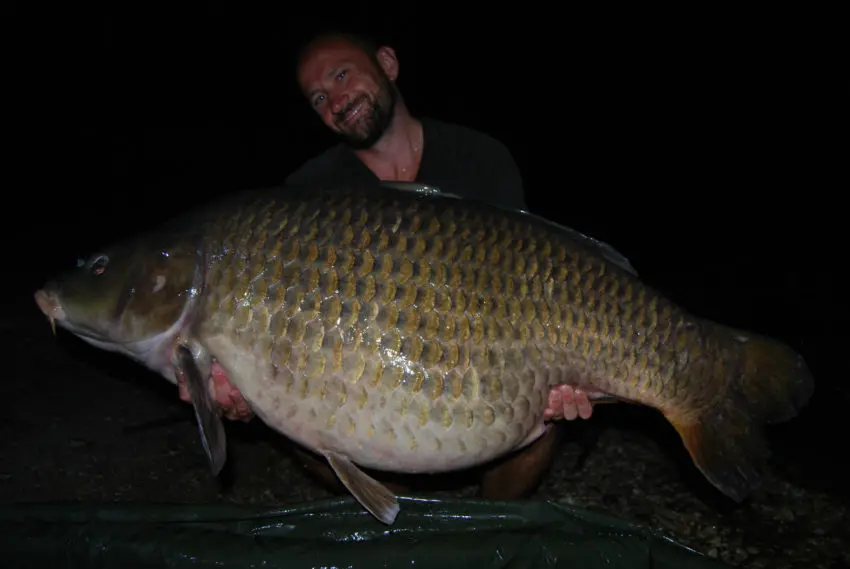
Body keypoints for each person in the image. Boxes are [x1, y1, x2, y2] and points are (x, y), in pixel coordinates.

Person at [175, 30, 602, 499]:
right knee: (301, 430)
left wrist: (563, 375)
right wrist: (247, 394)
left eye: (342, 75)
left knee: (542, 409)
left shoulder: (480, 158)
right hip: (365, 374)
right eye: (319, 97)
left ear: (388, 64)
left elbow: (538, 282)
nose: (336, 101)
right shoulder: (308, 191)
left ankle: (484, 532)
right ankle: (408, 521)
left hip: (489, 353)